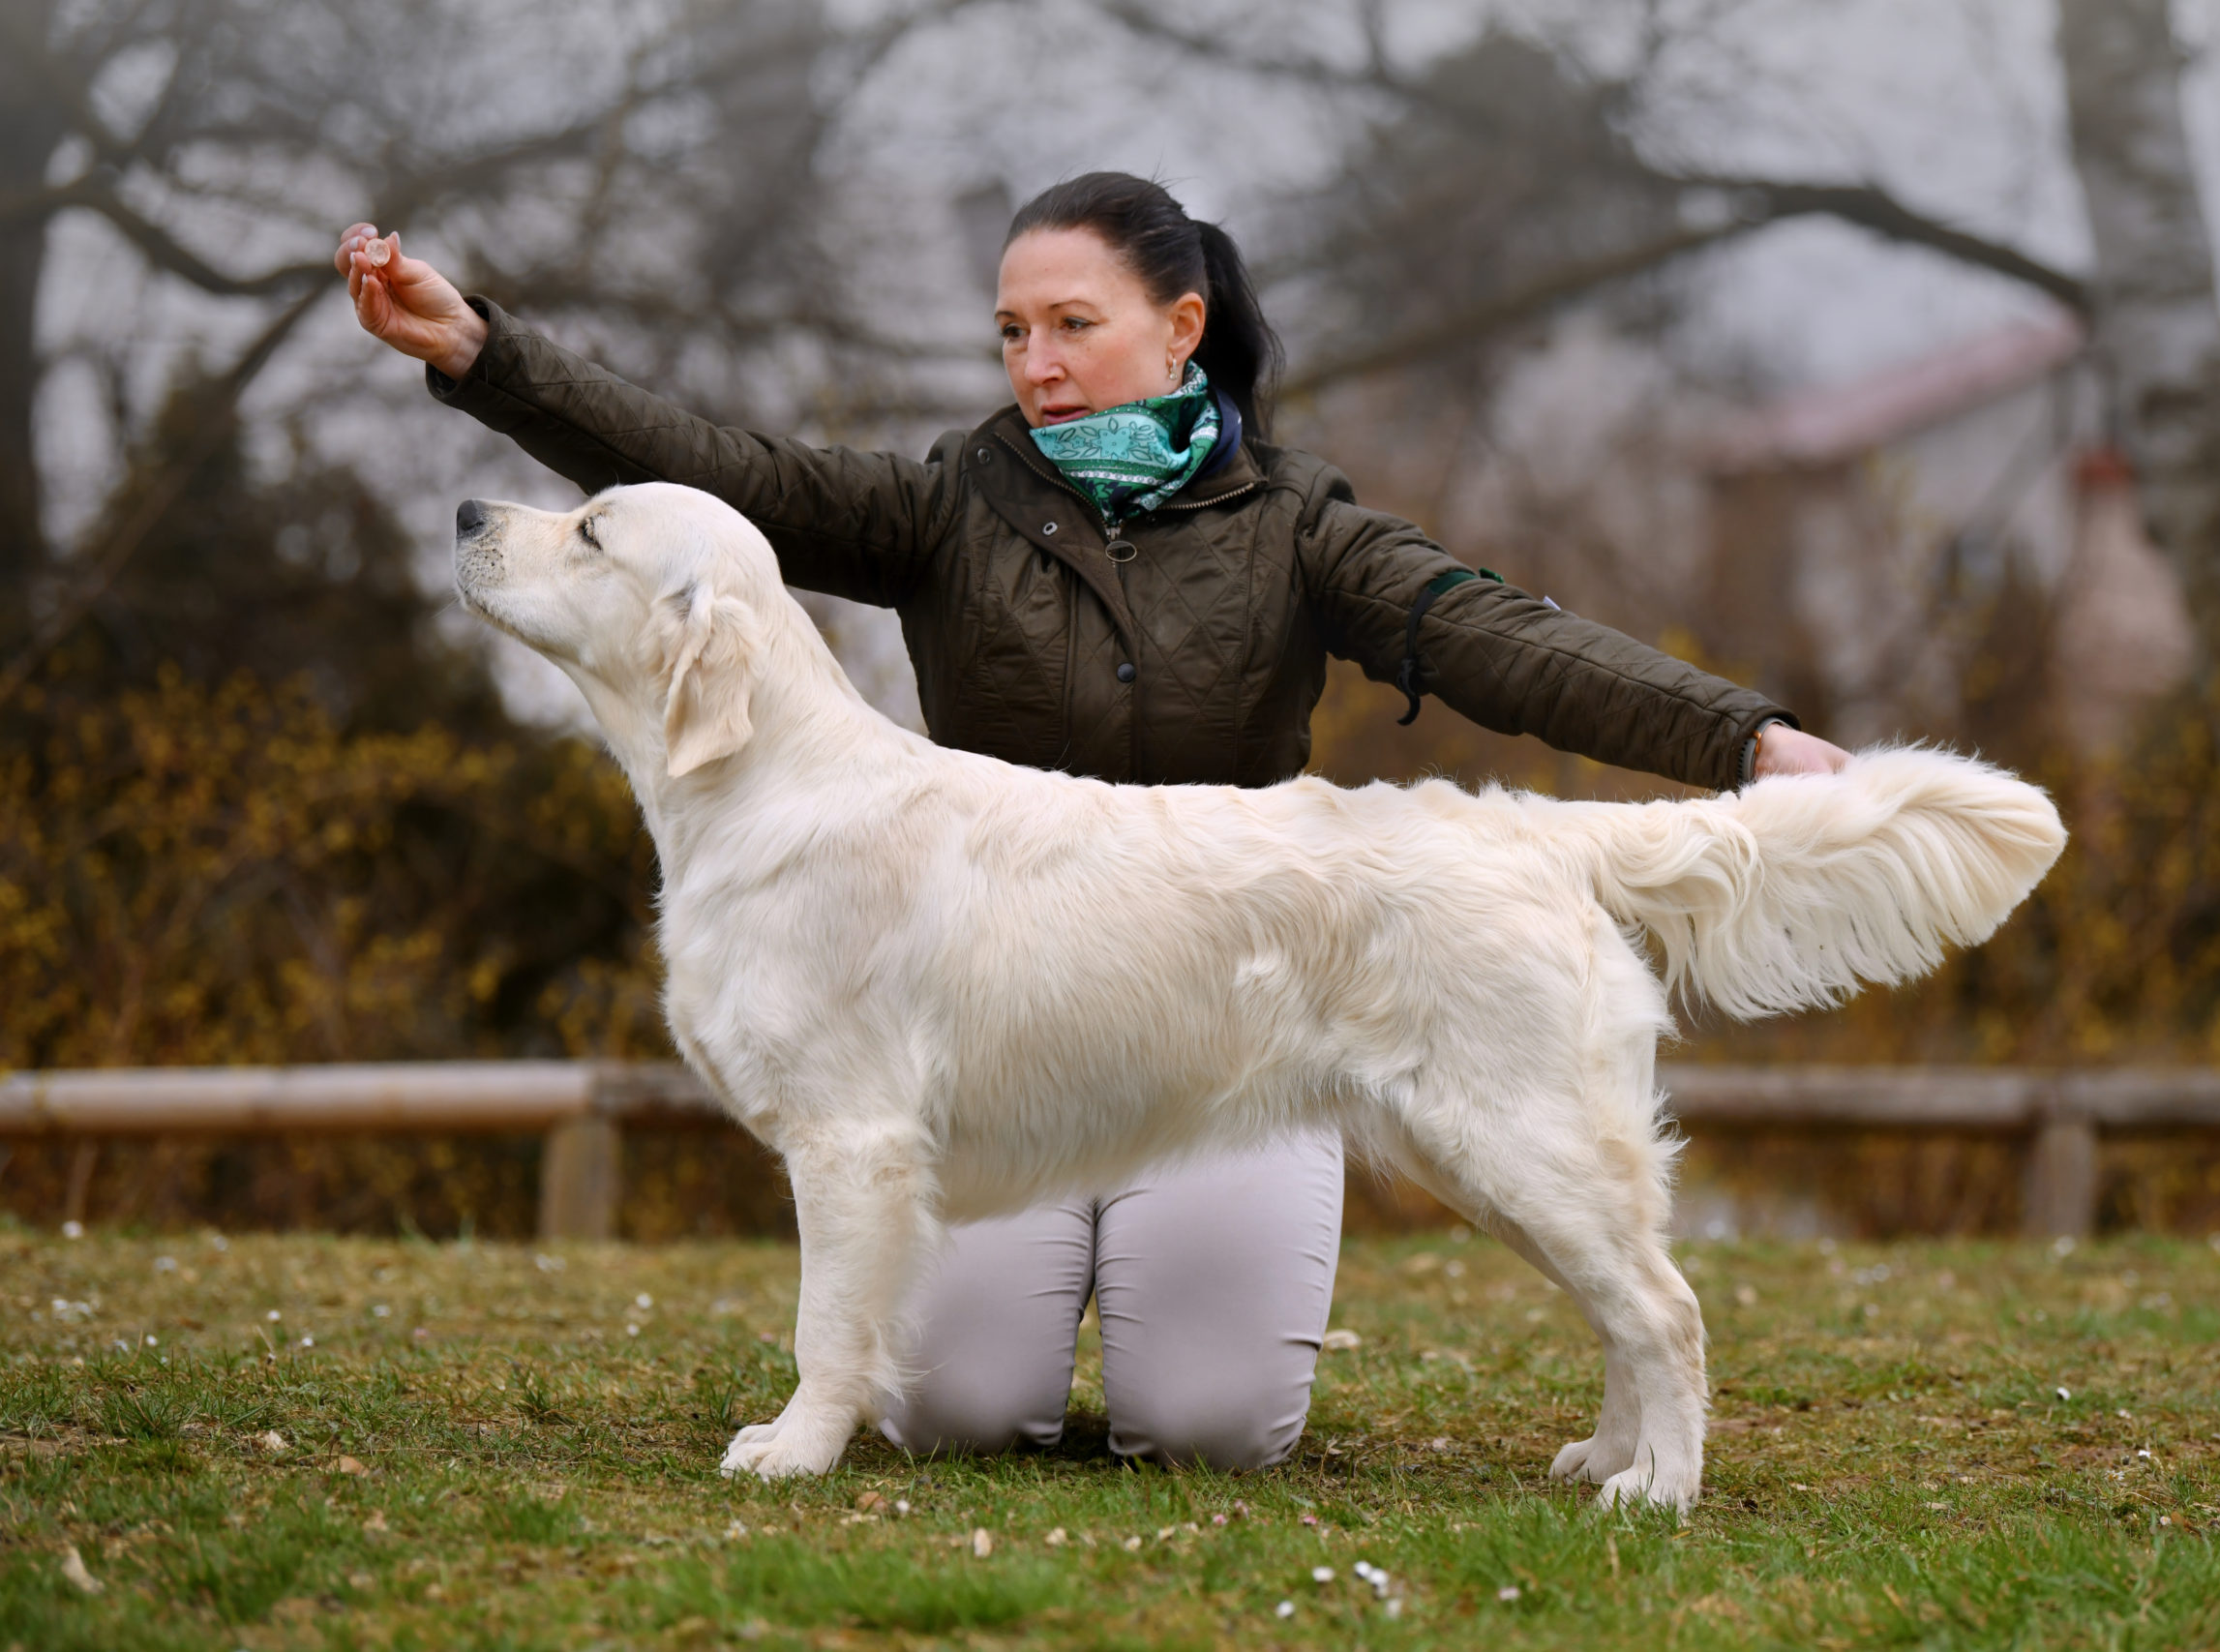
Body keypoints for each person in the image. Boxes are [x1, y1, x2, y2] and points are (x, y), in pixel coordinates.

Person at [337, 172, 1850, 1472]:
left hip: (1239, 998)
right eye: (1013, 332)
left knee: (1211, 1423)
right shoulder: (948, 505)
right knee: (957, 1411)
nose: (1037, 363)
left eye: (1075, 324)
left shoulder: (1295, 522)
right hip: (1006, 1029)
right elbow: (726, 480)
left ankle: (1627, 1383)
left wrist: (1743, 738)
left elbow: (1499, 638)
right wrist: (484, 354)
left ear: (1179, 329)